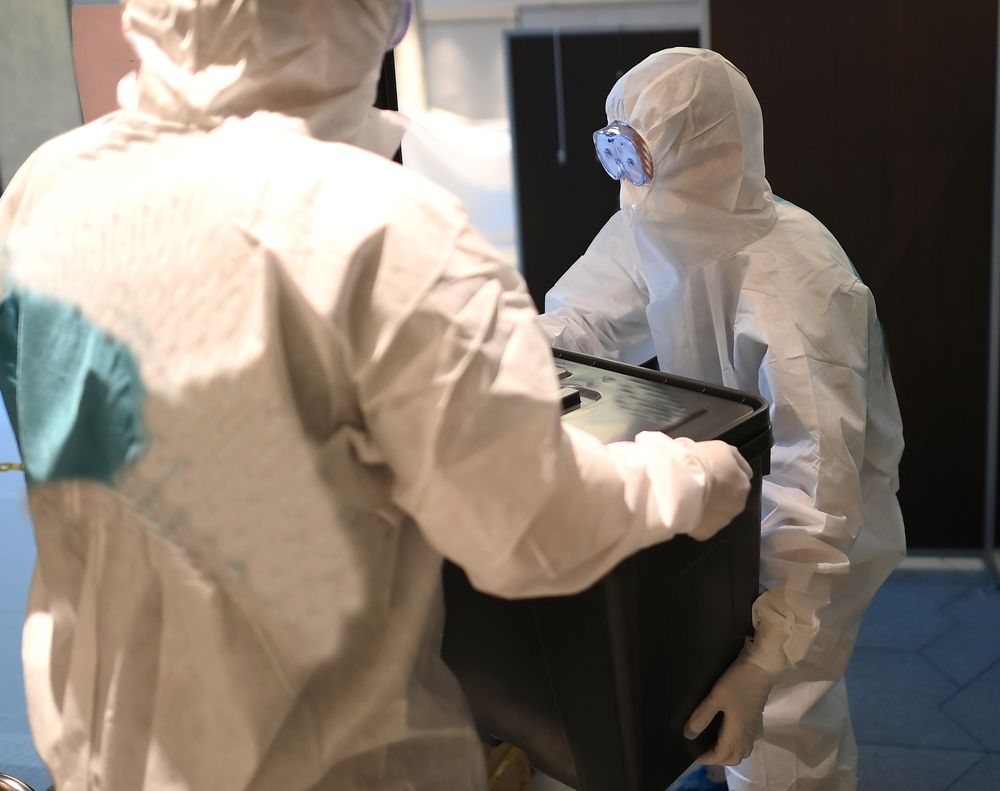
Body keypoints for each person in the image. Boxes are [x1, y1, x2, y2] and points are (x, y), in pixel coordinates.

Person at [0, 7, 753, 791]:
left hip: (106, 753)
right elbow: (530, 524)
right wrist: (690, 480)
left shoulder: (47, 188)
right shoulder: (378, 225)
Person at [540, 48, 907, 791]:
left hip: (818, 531)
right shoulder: (653, 223)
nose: (626, 172)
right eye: (618, 147)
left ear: (700, 151)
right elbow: (578, 321)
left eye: (639, 150)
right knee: (719, 711)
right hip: (732, 490)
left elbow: (818, 486)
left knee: (783, 731)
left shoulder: (802, 284)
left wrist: (768, 651)